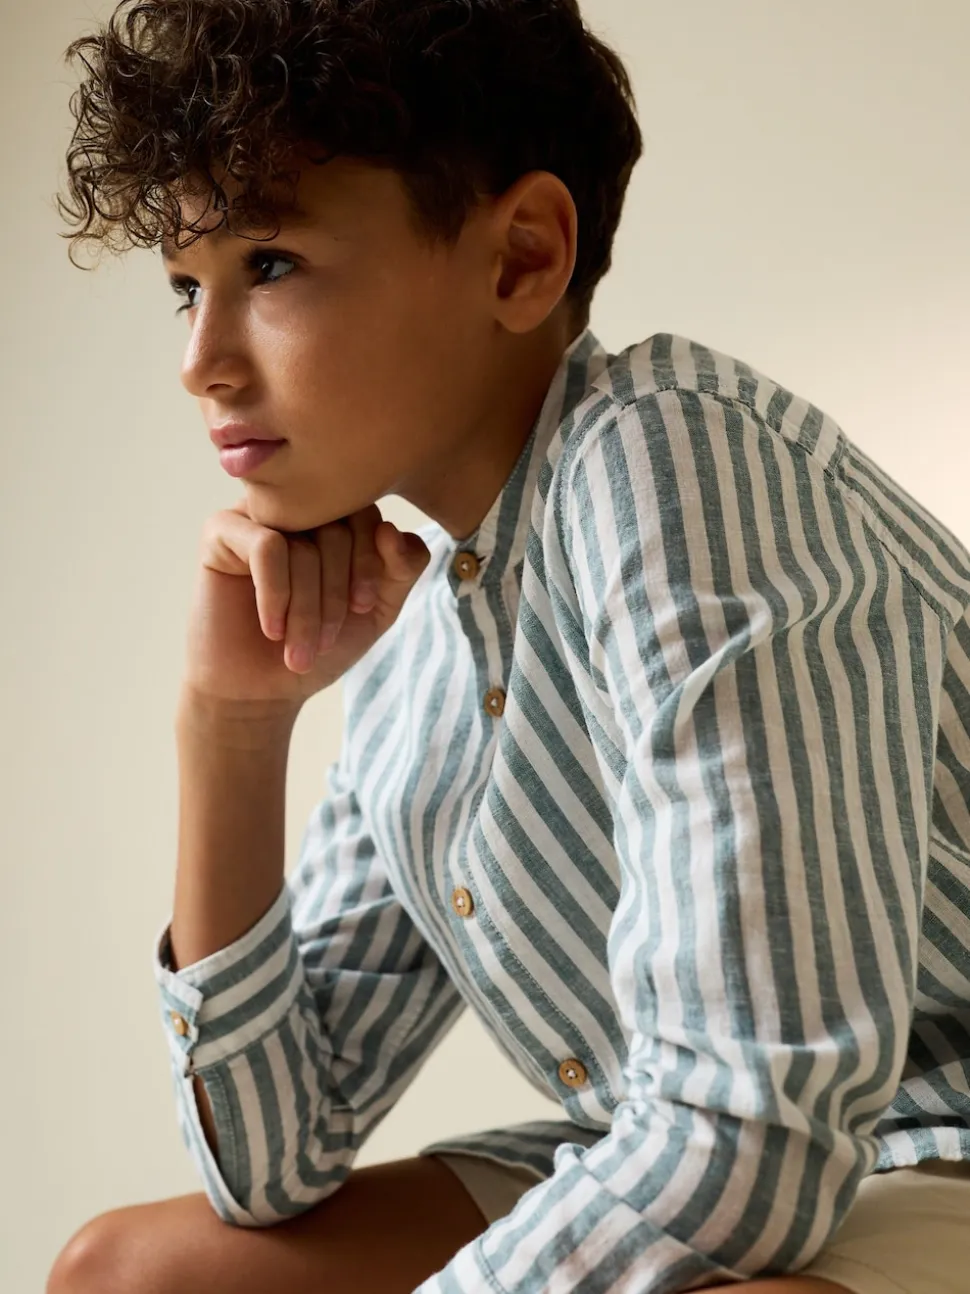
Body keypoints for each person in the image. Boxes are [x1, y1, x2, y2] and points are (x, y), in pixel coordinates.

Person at [47, 2, 970, 1292]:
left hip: (921, 1145)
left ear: (521, 259)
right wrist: (232, 728)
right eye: (186, 288)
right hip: (714, 1151)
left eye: (272, 263)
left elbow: (751, 1136)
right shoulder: (428, 629)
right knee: (127, 1272)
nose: (201, 363)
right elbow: (270, 1161)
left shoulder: (671, 463)